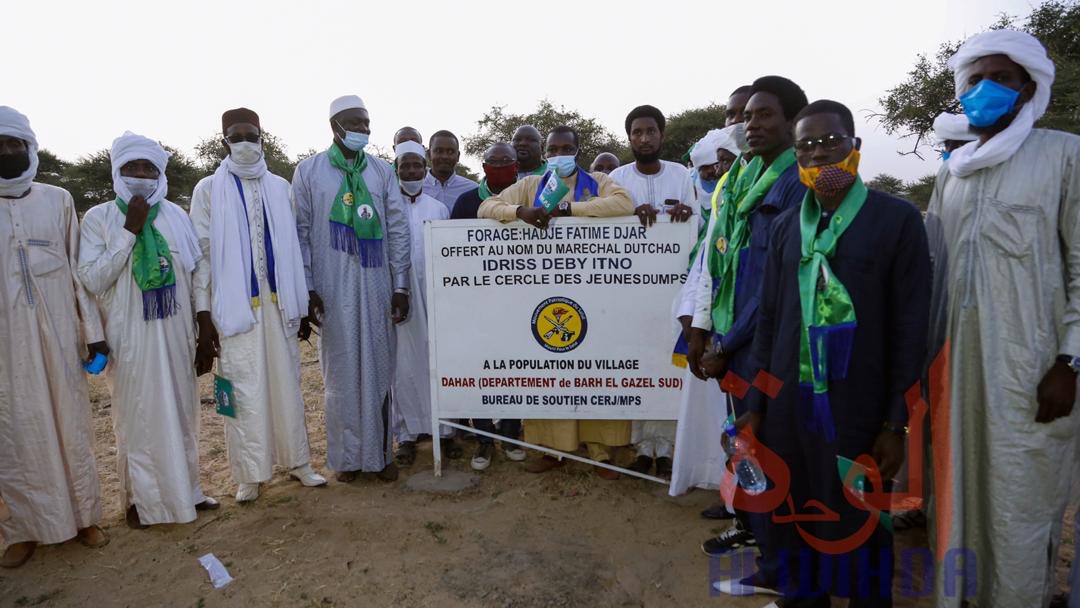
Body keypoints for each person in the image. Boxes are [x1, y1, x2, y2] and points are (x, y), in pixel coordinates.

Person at [738, 99, 930, 606]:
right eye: (806, 146)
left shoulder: (897, 221)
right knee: (796, 510)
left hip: (860, 408)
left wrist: (896, 425)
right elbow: (770, 320)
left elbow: (911, 330)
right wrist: (756, 406)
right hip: (787, 404)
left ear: (855, 146)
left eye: (830, 142)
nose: (820, 156)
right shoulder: (785, 227)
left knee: (862, 519)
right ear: (796, 157)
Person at [926, 30, 1080, 608]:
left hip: (1032, 368)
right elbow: (936, 267)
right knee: (958, 490)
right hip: (956, 365)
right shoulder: (951, 170)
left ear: (1028, 88)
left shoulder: (1065, 154)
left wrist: (1070, 360)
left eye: (1002, 79)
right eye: (974, 80)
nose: (985, 90)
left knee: (1021, 496)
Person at [690, 77, 809, 593]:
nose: (748, 125)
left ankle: (787, 576)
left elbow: (775, 282)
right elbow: (726, 259)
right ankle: (771, 561)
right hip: (737, 345)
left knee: (772, 457)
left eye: (763, 115)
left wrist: (726, 342)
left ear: (792, 122)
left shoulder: (795, 183)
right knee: (750, 454)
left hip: (767, 346)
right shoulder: (744, 176)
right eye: (742, 116)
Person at [479, 125, 634, 477]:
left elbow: (625, 203)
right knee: (549, 365)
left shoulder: (597, 180)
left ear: (578, 150)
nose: (559, 153)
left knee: (595, 365)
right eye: (553, 148)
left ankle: (601, 451)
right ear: (545, 152)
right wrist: (519, 213)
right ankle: (552, 448)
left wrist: (567, 209)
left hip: (595, 288)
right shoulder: (533, 185)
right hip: (544, 289)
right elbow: (487, 206)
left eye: (566, 147)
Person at [79, 131, 217, 527]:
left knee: (181, 411)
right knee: (136, 418)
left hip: (175, 332)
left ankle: (187, 493)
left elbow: (197, 273)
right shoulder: (100, 218)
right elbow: (91, 279)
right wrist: (130, 230)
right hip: (129, 336)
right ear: (116, 171)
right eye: (131, 167)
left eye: (149, 168)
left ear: (161, 173)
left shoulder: (176, 215)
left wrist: (203, 324)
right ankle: (141, 503)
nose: (141, 174)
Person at [190, 108, 326, 503]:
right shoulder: (207, 190)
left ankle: (299, 462)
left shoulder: (279, 186)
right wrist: (203, 315)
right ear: (224, 141)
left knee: (286, 386)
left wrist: (300, 307)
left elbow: (294, 248)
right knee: (241, 389)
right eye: (237, 135)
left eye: (252, 134)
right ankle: (250, 474)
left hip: (279, 306)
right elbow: (202, 255)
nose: (246, 142)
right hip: (233, 311)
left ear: (262, 137)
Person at [0, 107, 109, 567]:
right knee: (18, 434)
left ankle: (85, 517)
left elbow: (79, 275)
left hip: (60, 333)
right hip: (7, 346)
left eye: (15, 145)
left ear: (31, 148)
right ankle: (23, 530)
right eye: (1, 146)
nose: (8, 153)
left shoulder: (58, 199)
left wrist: (94, 335)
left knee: (71, 426)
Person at [294, 95, 411, 482]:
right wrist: (308, 287)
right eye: (354, 123)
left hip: (377, 285)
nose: (362, 130)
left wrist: (401, 286)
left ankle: (381, 455)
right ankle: (347, 459)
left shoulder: (381, 172)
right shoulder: (308, 172)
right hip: (331, 287)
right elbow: (301, 234)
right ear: (334, 126)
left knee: (380, 370)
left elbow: (397, 229)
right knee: (341, 376)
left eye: (366, 123)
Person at [606, 105, 695, 478]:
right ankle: (643, 447)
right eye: (637, 133)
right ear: (629, 138)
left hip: (674, 285)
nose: (644, 139)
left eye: (650, 131)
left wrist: (685, 214)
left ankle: (672, 447)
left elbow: (699, 217)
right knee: (639, 360)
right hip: (630, 290)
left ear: (662, 134)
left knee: (669, 360)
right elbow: (603, 221)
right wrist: (629, 214)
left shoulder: (681, 174)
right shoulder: (616, 177)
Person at [668, 125, 746, 499]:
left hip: (739, 331)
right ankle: (726, 488)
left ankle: (743, 501)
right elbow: (702, 267)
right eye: (712, 167)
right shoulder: (718, 204)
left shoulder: (742, 200)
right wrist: (693, 321)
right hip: (707, 327)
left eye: (726, 163)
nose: (717, 173)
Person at [445, 142, 528, 468]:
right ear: (483, 167)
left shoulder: (528, 199)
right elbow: (451, 251)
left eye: (506, 163)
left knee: (515, 370)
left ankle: (510, 434)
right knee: (478, 369)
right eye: (493, 163)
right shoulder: (466, 202)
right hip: (475, 305)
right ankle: (484, 440)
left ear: (516, 168)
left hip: (519, 301)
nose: (500, 168)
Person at [390, 140, 457, 466]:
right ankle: (406, 435)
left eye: (417, 165)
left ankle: (444, 432)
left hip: (436, 296)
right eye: (406, 166)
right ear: (397, 169)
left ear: (425, 166)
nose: (412, 171)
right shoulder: (388, 207)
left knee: (438, 361)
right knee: (403, 367)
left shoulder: (437, 207)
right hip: (401, 296)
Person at [451, 142, 518, 220]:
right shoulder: (465, 201)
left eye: (506, 160)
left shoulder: (531, 197)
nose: (499, 165)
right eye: (492, 161)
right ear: (484, 167)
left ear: (516, 166)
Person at [423, 130, 476, 213]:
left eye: (450, 152)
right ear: (429, 154)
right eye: (439, 151)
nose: (445, 156)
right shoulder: (417, 190)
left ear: (458, 156)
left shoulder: (473, 190)